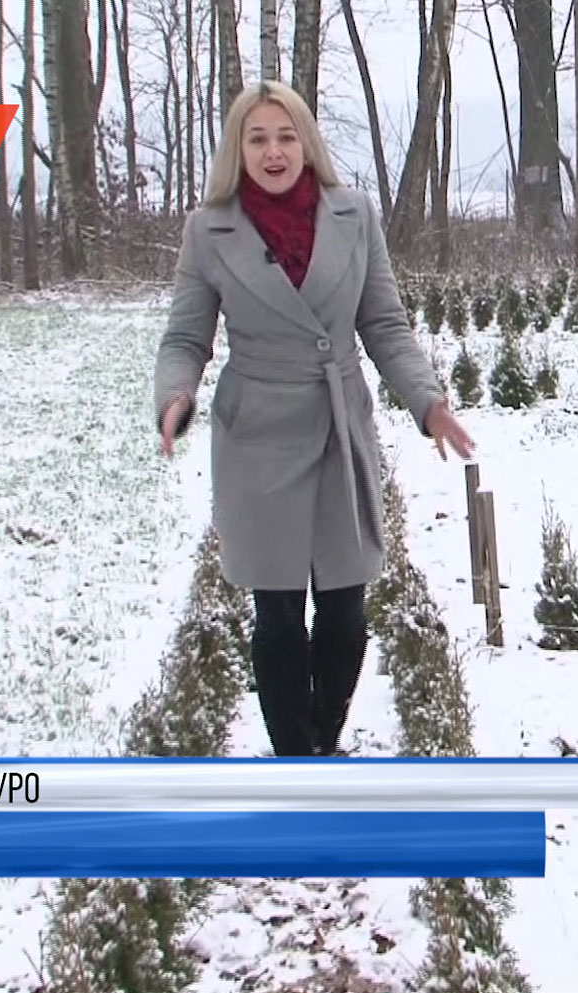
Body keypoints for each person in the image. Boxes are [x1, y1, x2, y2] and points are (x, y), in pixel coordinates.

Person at [151, 80, 475, 758]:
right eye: (258, 138)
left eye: (286, 136)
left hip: (337, 427)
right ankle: (297, 763)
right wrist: (176, 395)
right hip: (257, 433)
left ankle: (324, 737)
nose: (274, 152)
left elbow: (383, 324)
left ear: (308, 142)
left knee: (345, 611)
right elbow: (185, 336)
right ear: (239, 150)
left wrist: (429, 403)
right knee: (275, 613)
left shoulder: (354, 215)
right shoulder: (210, 230)